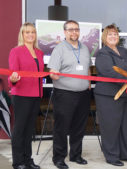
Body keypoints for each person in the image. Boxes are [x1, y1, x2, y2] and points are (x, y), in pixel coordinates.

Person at [48, 20, 92, 169]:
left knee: (79, 127)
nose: (74, 32)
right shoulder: (59, 49)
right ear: (65, 32)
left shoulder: (85, 48)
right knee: (61, 127)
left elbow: (87, 69)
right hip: (64, 94)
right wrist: (54, 76)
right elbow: (52, 71)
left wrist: (88, 84)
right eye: (71, 30)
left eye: (76, 29)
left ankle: (76, 155)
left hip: (83, 94)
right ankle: (59, 158)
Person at [94, 24, 127, 166]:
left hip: (126, 96)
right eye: (110, 34)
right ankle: (111, 156)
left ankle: (125, 154)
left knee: (125, 126)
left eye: (115, 34)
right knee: (110, 127)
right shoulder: (102, 53)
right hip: (108, 96)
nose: (113, 37)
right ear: (104, 37)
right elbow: (109, 72)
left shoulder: (124, 52)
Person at [8, 22, 44, 169]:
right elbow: (13, 74)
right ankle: (18, 162)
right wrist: (13, 79)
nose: (30, 35)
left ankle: (28, 160)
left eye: (33, 32)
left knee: (29, 130)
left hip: (36, 95)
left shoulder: (39, 52)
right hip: (22, 95)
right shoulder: (16, 51)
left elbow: (40, 74)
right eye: (27, 32)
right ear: (22, 35)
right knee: (20, 129)